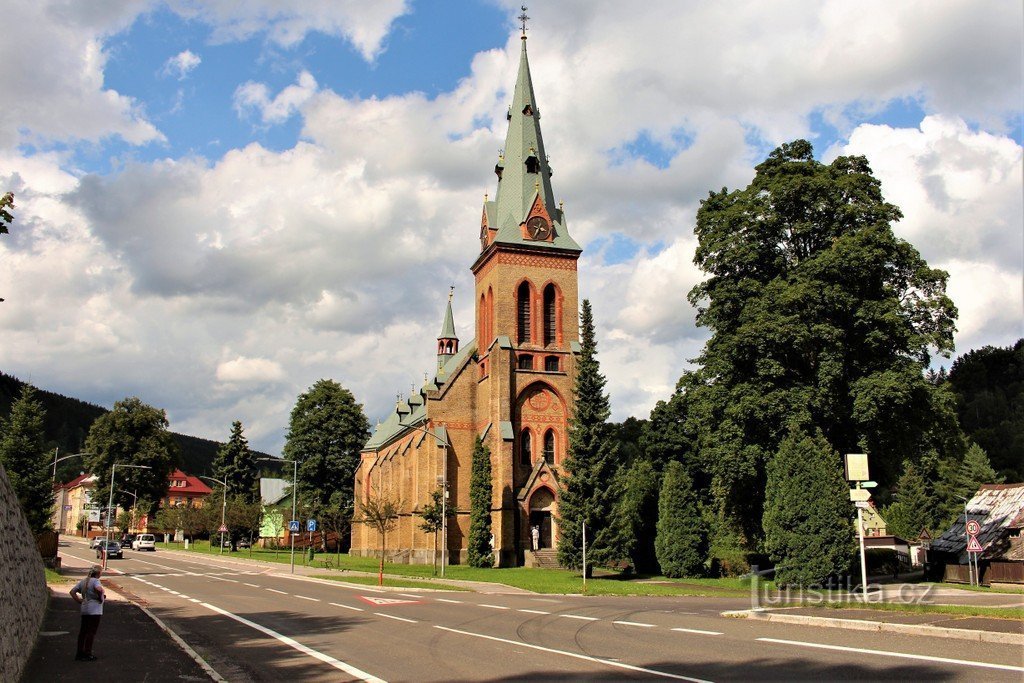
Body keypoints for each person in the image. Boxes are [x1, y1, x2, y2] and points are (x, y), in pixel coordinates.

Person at [70, 565, 105, 661]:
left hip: (85, 608)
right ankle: (87, 653)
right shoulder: (96, 581)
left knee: (83, 632)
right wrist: (100, 596)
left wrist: (79, 601)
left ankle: (79, 653)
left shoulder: (83, 581)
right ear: (98, 573)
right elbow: (98, 589)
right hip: (95, 610)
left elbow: (72, 592)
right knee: (91, 632)